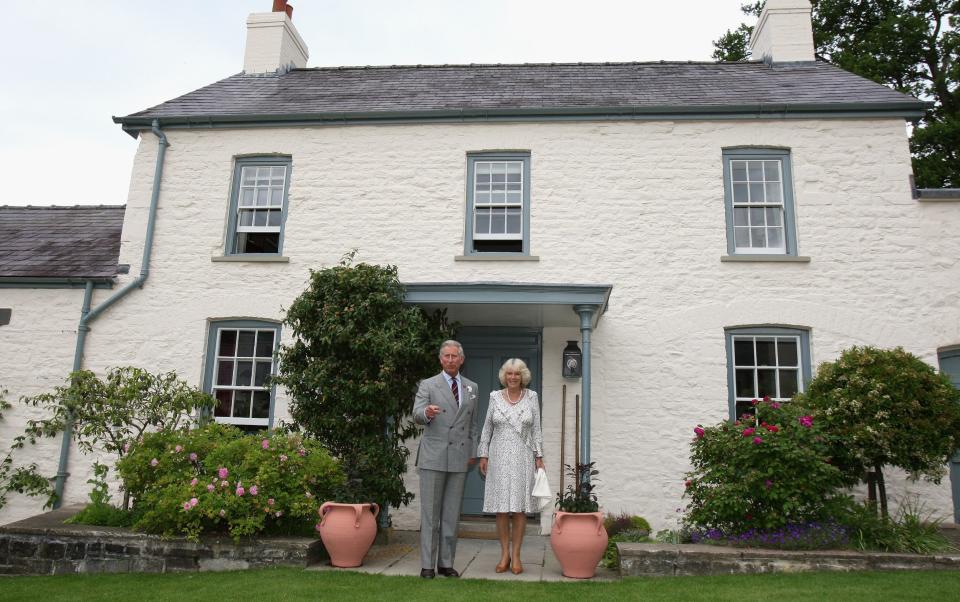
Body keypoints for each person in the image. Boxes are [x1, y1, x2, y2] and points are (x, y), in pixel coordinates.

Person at [412, 340, 479, 579]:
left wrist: (473, 452)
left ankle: (446, 563)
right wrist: (426, 413)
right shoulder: (428, 385)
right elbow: (416, 414)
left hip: (459, 457)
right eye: (446, 356)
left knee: (451, 513)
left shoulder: (472, 387)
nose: (451, 360)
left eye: (455, 356)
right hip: (434, 456)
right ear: (441, 360)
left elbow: (473, 425)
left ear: (461, 359)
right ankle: (428, 565)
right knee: (431, 514)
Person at [476, 358, 545, 575]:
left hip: (523, 457)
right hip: (498, 457)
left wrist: (539, 457)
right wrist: (483, 454)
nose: (513, 377)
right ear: (504, 376)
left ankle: (516, 555)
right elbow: (487, 428)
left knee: (519, 509)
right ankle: (504, 554)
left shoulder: (532, 397)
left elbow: (537, 430)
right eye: (509, 373)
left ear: (523, 376)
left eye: (517, 373)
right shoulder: (494, 397)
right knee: (502, 509)